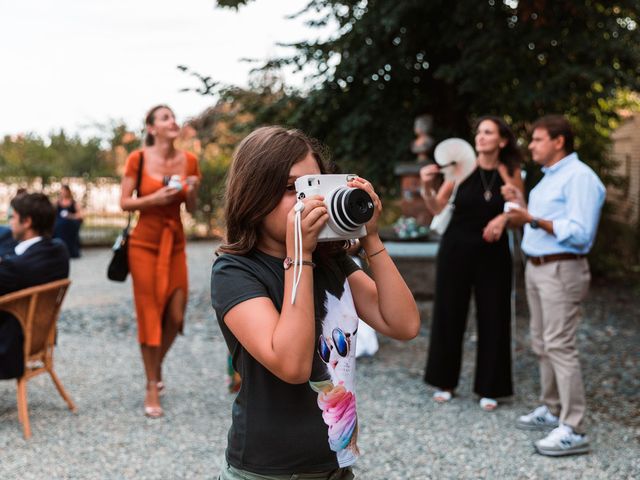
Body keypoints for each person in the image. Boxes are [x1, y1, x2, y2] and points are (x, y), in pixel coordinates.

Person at [210, 126, 420, 479]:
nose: (308, 202)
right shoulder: (234, 271)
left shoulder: (331, 261)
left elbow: (403, 324)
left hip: (336, 465)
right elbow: (291, 365)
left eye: (314, 187)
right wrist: (299, 256)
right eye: (292, 189)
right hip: (268, 470)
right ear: (254, 193)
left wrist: (370, 237)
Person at [503, 115, 605, 456]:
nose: (531, 146)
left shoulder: (580, 178)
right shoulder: (549, 178)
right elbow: (547, 221)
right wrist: (523, 205)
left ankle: (574, 428)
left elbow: (580, 232)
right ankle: (552, 408)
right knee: (542, 341)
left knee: (560, 345)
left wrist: (528, 218)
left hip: (562, 270)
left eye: (537, 140)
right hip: (538, 268)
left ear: (559, 141)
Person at [420, 116, 524, 411]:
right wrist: (428, 187)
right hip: (456, 250)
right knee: (449, 312)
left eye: (488, 132)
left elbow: (521, 213)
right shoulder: (459, 167)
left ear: (501, 141)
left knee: (494, 315)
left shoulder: (510, 171)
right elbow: (436, 207)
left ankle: (491, 386)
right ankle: (444, 381)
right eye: (479, 131)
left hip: (494, 254)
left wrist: (505, 215)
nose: (480, 137)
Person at [119, 105, 201, 418]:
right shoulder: (137, 159)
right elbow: (124, 202)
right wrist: (154, 199)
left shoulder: (190, 160)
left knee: (176, 313)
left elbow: (191, 209)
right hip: (144, 243)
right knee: (149, 313)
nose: (173, 121)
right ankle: (152, 383)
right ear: (152, 128)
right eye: (165, 118)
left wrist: (190, 191)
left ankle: (156, 363)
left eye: (173, 117)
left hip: (174, 241)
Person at [0, 193, 70, 380]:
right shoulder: (59, 251)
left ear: (27, 221)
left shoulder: (15, 268)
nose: (9, 222)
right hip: (39, 337)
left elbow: (13, 270)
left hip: (10, 343)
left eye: (12, 217)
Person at [53, 184, 84, 258]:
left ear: (68, 192)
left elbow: (80, 215)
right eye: (61, 191)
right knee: (59, 225)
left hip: (71, 222)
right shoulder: (56, 202)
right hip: (59, 224)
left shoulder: (74, 203)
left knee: (66, 224)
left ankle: (70, 251)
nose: (63, 193)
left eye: (64, 191)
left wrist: (70, 216)